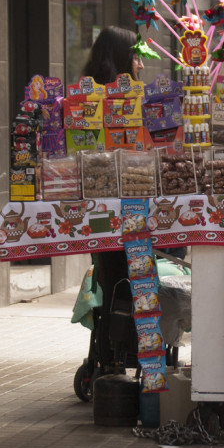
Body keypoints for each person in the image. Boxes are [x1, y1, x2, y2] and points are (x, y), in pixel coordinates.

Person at [82, 26, 145, 373]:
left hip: (100, 207)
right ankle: (125, 350)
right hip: (127, 202)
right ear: (123, 58)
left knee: (112, 278)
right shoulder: (115, 98)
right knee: (130, 279)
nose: (140, 63)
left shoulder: (86, 93)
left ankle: (112, 354)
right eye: (135, 55)